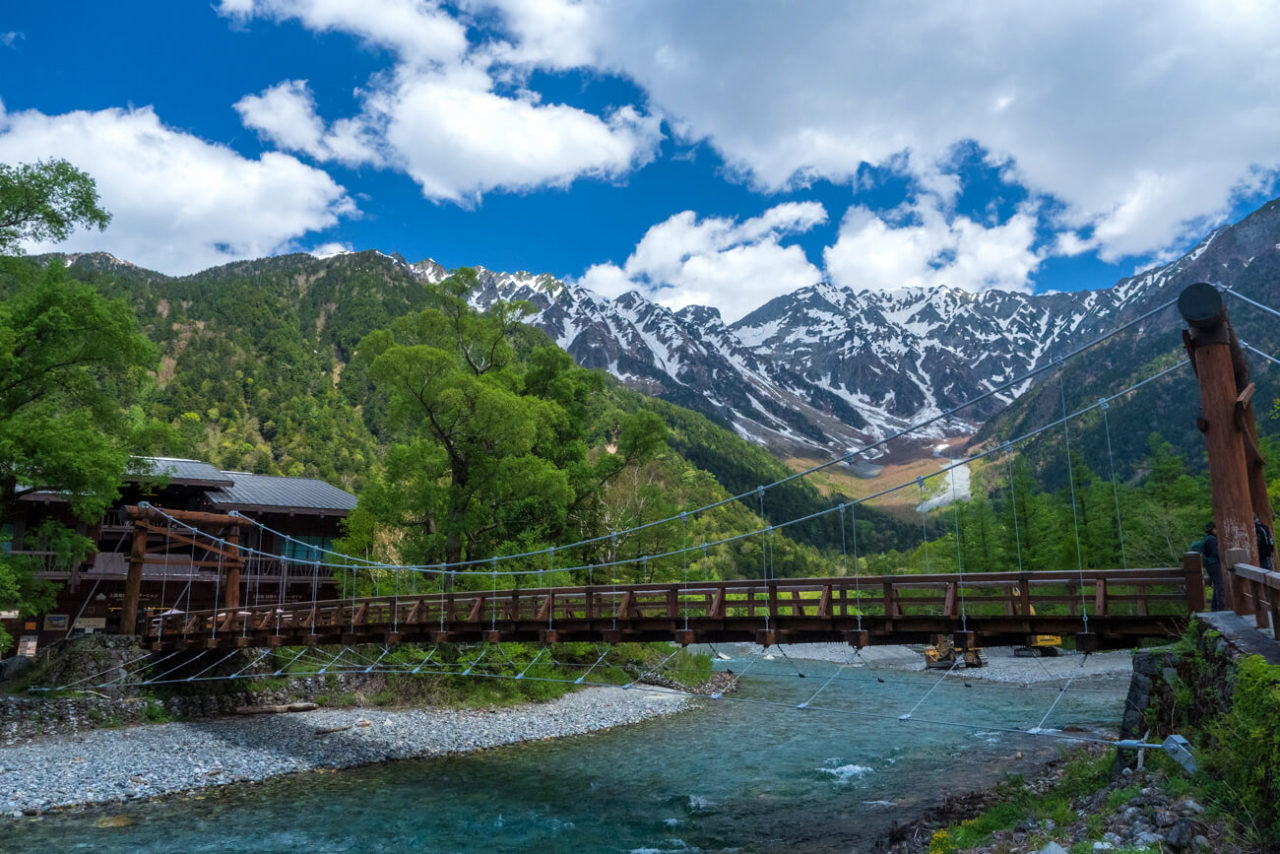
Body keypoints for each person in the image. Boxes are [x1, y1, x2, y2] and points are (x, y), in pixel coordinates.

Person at [1201, 522, 1223, 610]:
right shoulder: (1212, 540)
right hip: (1214, 564)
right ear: (1213, 530)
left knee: (1217, 585)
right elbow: (1215, 553)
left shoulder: (1206, 539)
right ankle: (1220, 607)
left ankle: (1215, 607)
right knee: (1219, 585)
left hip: (1209, 564)